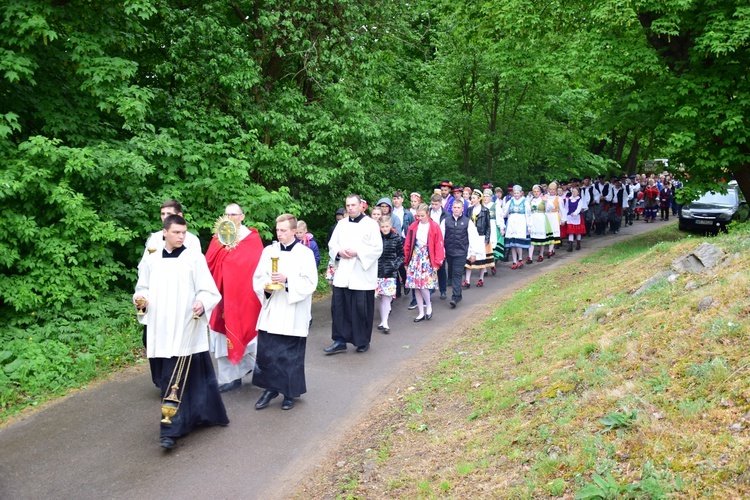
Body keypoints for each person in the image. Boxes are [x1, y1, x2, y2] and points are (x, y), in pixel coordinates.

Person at [134, 214, 226, 450]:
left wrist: (202, 303)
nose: (181, 236)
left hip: (186, 326)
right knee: (192, 376)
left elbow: (209, 291)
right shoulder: (152, 261)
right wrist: (140, 300)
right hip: (162, 328)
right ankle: (201, 414)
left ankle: (170, 430)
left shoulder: (193, 258)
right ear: (164, 232)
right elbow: (142, 288)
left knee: (173, 379)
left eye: (184, 232)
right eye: (176, 232)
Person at [251, 214, 318, 411]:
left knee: (290, 354)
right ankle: (270, 389)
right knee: (268, 351)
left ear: (294, 231)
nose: (279, 234)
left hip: (293, 310)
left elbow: (310, 283)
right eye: (277, 230)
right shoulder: (268, 251)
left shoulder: (304, 253)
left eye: (283, 230)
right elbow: (258, 277)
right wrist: (266, 288)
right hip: (273, 308)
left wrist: (287, 280)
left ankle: (289, 392)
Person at [139, 199, 203, 388]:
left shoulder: (191, 242)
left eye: (169, 214)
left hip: (180, 302)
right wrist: (142, 296)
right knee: (151, 339)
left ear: (179, 216)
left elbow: (195, 274)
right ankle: (161, 380)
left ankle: (174, 383)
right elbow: (145, 266)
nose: (165, 217)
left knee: (177, 345)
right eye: (163, 214)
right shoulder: (154, 239)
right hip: (158, 302)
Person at [205, 203, 264, 393]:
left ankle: (256, 370)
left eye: (234, 214)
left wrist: (230, 266)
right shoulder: (217, 239)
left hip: (243, 297)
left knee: (247, 332)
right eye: (227, 214)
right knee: (222, 337)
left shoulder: (251, 239)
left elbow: (254, 267)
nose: (230, 217)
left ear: (242, 217)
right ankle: (230, 377)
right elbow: (209, 264)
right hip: (221, 296)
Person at [325, 194, 383, 354]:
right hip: (343, 273)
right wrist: (339, 252)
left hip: (361, 274)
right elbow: (332, 244)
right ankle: (339, 340)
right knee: (339, 308)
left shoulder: (371, 225)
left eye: (353, 205)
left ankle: (362, 341)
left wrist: (358, 252)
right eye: (348, 205)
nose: (350, 208)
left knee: (360, 309)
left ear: (361, 206)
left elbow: (377, 248)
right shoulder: (341, 224)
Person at [403, 203, 445, 321]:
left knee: (424, 285)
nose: (419, 218)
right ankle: (421, 312)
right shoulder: (413, 226)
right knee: (416, 286)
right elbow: (407, 244)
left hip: (427, 258)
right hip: (415, 257)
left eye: (422, 216)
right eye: (418, 216)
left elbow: (439, 245)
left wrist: (437, 262)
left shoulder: (434, 227)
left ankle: (429, 305)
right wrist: (406, 261)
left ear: (427, 214)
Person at [443, 199, 477, 308]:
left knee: (457, 273)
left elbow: (472, 238)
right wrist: (442, 251)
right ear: (452, 208)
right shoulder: (446, 221)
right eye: (455, 207)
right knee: (452, 273)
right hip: (449, 252)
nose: (456, 209)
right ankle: (459, 294)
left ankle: (455, 296)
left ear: (462, 209)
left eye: (458, 207)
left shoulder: (467, 222)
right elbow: (441, 237)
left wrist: (473, 253)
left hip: (461, 252)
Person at [375, 215, 404, 333]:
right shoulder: (376, 238)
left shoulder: (396, 238)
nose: (385, 229)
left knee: (387, 297)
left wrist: (395, 265)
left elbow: (401, 255)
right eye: (383, 227)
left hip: (390, 272)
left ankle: (385, 322)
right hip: (377, 272)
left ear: (391, 226)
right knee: (379, 298)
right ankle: (382, 320)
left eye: (387, 226)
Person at [464, 189, 492, 287]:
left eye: (474, 198)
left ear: (479, 199)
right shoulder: (469, 210)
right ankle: (467, 280)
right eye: (471, 198)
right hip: (471, 236)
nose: (472, 200)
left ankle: (481, 279)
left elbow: (488, 226)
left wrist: (487, 239)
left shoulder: (485, 210)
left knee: (481, 258)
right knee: (469, 258)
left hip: (481, 236)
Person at [503, 185, 531, 270]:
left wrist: (529, 226)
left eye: (517, 193)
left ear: (521, 193)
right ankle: (514, 261)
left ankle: (520, 259)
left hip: (521, 223)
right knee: (512, 244)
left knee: (518, 243)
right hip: (512, 223)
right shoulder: (510, 202)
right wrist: (506, 216)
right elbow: (504, 212)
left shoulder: (525, 202)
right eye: (514, 193)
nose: (516, 194)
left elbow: (528, 215)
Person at [429, 193, 449, 300]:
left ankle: (443, 290)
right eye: (432, 204)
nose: (434, 206)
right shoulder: (428, 213)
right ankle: (430, 288)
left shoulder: (446, 215)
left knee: (441, 267)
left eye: (436, 204)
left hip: (441, 242)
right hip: (430, 242)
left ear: (441, 204)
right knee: (430, 267)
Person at [528, 184, 552, 263]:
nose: (536, 193)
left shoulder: (544, 199)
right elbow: (527, 210)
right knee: (531, 239)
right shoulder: (530, 200)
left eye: (538, 191)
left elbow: (551, 208)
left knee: (541, 238)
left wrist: (546, 201)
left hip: (541, 219)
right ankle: (530, 257)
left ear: (540, 192)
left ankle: (541, 255)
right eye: (534, 191)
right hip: (533, 219)